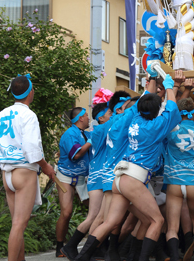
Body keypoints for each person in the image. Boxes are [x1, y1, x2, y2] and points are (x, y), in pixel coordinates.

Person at [73, 71, 184, 261]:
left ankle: (81, 258)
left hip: (119, 179)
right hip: (133, 179)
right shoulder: (156, 126)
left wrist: (154, 83)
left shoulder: (135, 119)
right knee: (157, 220)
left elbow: (145, 104)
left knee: (110, 221)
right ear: (156, 111)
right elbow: (172, 109)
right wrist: (169, 87)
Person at [0, 74, 56, 261]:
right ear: (30, 92)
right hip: (24, 171)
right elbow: (31, 148)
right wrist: (46, 166)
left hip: (7, 172)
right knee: (19, 224)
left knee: (17, 224)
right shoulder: (29, 115)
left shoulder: (2, 113)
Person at [60, 102, 113, 259]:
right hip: (80, 176)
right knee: (92, 216)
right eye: (110, 112)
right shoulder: (80, 133)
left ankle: (93, 248)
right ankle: (71, 247)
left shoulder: (91, 132)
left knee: (98, 216)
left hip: (89, 176)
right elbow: (75, 155)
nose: (88, 118)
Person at [164, 97, 194, 261]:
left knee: (172, 226)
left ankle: (175, 256)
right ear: (193, 113)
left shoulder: (171, 130)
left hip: (174, 181)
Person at [55, 106, 93, 257]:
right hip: (66, 176)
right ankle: (60, 247)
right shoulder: (70, 133)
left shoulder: (85, 133)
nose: (89, 118)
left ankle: (94, 245)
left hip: (82, 178)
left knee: (96, 210)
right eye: (87, 116)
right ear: (81, 118)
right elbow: (75, 155)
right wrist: (90, 142)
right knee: (66, 212)